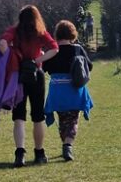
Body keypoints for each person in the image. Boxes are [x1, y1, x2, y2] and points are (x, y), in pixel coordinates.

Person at [0, 5, 59, 167]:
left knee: (19, 116)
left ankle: (20, 154)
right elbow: (54, 48)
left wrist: (12, 59)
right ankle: (39, 153)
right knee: (38, 116)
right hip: (36, 75)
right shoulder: (40, 32)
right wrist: (38, 60)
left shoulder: (14, 31)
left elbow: (3, 44)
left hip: (18, 76)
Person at [37, 20, 94, 161]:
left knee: (63, 119)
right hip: (74, 90)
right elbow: (89, 66)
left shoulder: (53, 51)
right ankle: (67, 146)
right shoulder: (77, 49)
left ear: (57, 34)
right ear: (72, 34)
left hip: (57, 92)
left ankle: (66, 145)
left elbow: (43, 68)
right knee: (73, 119)